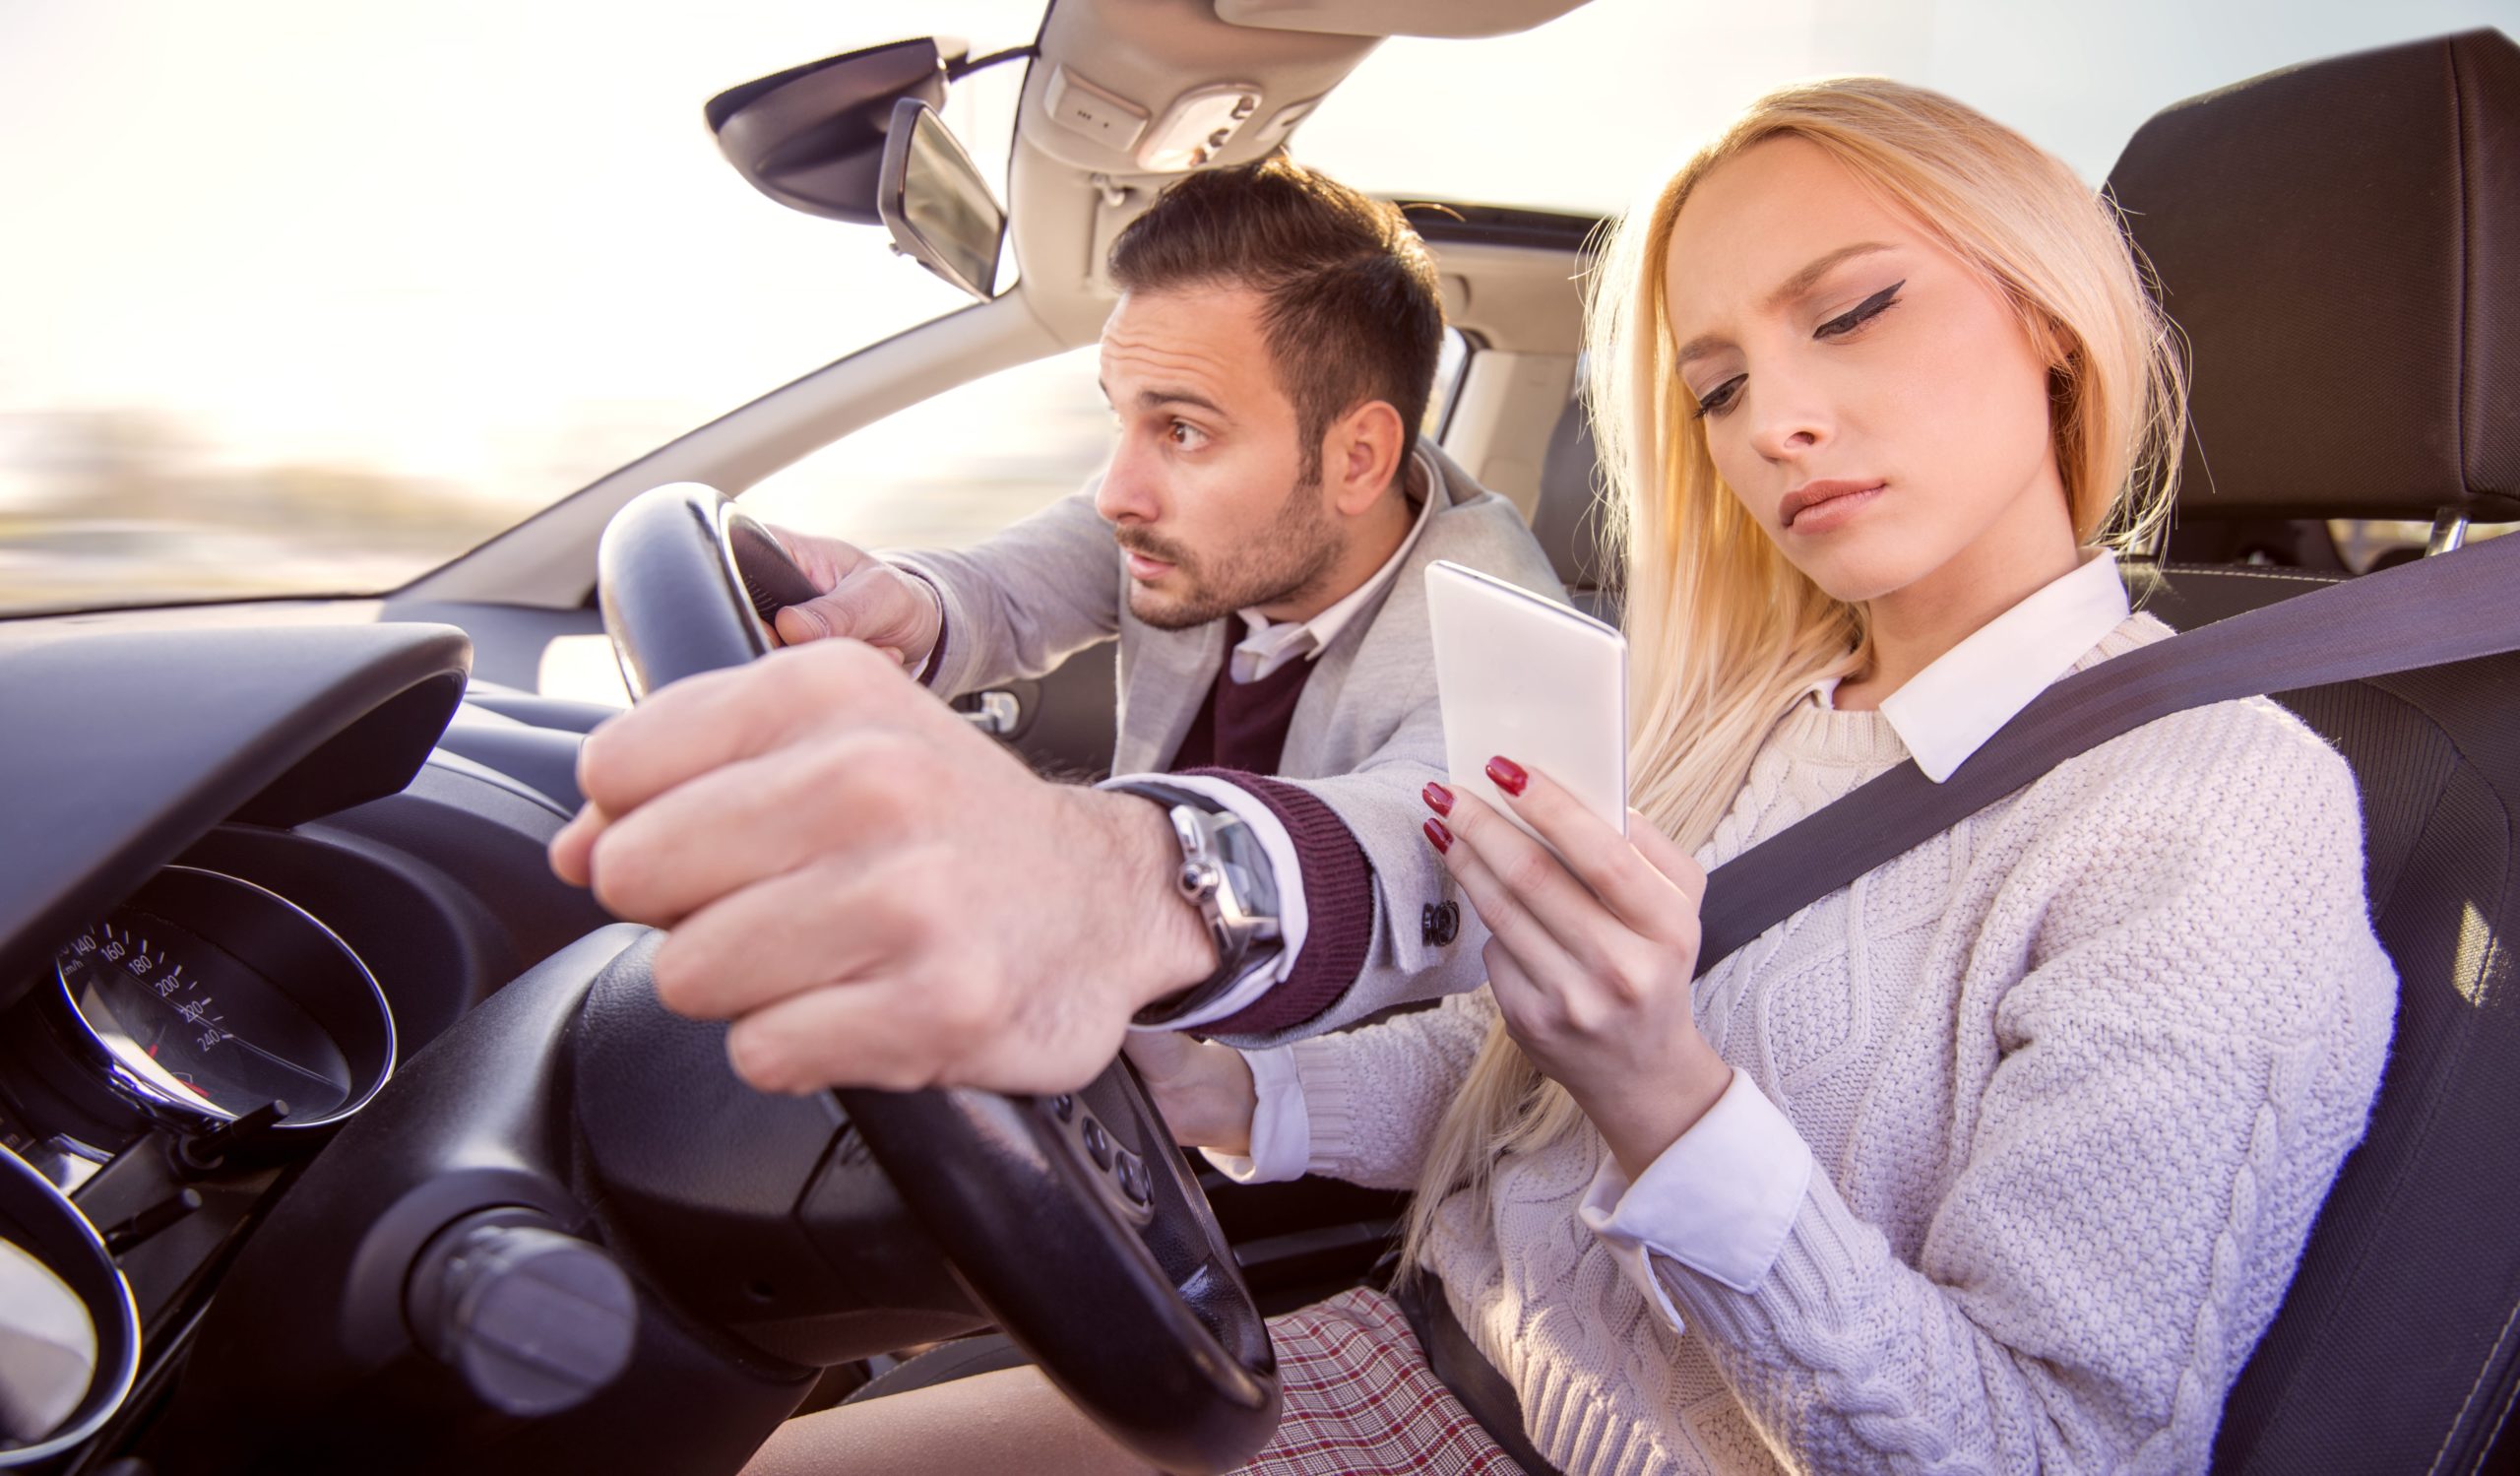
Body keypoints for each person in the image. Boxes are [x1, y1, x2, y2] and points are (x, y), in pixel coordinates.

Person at [737, 76, 2396, 1475]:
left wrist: (1662, 1087)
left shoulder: (2214, 806)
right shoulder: (1748, 712)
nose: (1778, 423)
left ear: (2049, 317)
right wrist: (1237, 1092)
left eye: (1855, 307)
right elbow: (1517, 1052)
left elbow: (2044, 1447)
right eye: (1721, 386)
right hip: (1406, 1355)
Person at [548, 157, 1559, 1096]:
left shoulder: (1505, 644)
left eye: (1180, 428)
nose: (1118, 490)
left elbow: (1422, 853)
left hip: (1325, 1122)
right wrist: (904, 609)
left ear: (1355, 458)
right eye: (1118, 416)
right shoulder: (1198, 516)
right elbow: (1009, 585)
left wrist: (1127, 880)